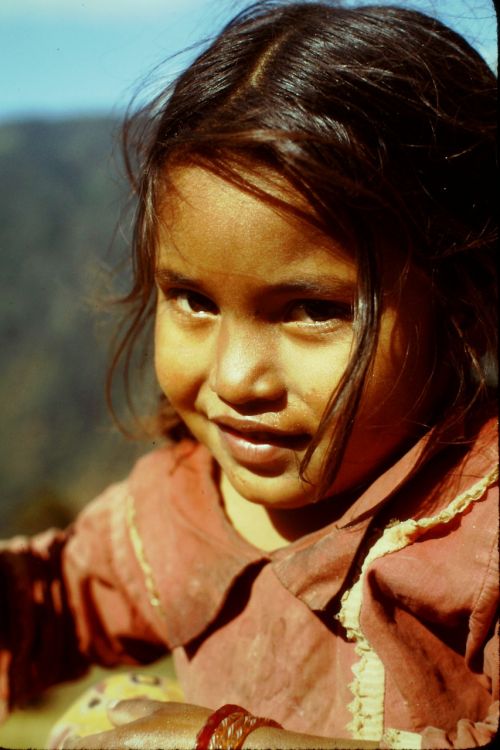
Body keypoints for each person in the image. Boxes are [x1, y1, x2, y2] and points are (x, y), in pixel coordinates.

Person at [1, 1, 497, 748]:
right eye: (193, 300)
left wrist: (234, 742)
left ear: (461, 307)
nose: (237, 378)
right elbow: (48, 606)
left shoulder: (478, 539)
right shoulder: (174, 510)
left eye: (310, 309)